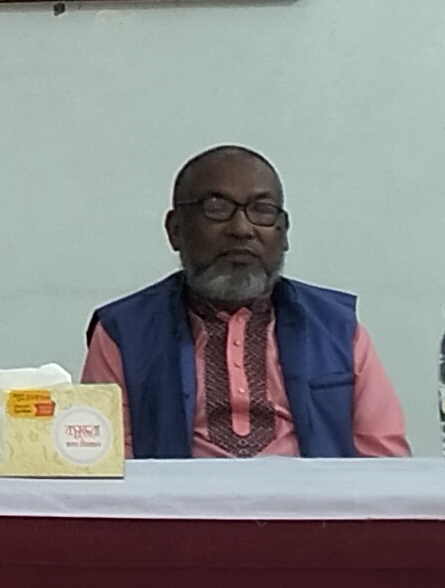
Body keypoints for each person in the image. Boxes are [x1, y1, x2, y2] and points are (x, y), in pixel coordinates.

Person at [82, 144, 411, 458]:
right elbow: (108, 463)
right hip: (178, 499)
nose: (241, 229)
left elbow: (383, 459)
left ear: (283, 232)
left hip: (314, 498)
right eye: (217, 208)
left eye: (262, 211)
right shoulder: (123, 333)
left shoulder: (337, 328)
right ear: (175, 229)